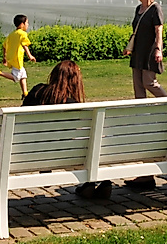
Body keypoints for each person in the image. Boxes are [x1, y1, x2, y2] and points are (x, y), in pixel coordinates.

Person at [22, 61, 108, 198]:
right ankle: (90, 182)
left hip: (28, 153)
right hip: (65, 155)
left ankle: (86, 184)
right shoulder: (74, 106)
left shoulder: (36, 91)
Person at [123, 0, 167, 98]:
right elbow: (136, 31)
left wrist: (158, 49)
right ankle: (140, 111)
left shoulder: (155, 9)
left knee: (149, 83)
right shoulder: (138, 9)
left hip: (149, 51)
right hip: (138, 51)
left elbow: (159, 31)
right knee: (138, 85)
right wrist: (129, 47)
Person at [0, 14, 37, 97]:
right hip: (17, 59)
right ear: (22, 24)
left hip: (12, 58)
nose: (28, 25)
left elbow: (4, 45)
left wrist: (5, 57)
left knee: (23, 75)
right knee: (16, 77)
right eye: (27, 23)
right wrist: (30, 56)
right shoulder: (22, 34)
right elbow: (25, 45)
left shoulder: (11, 34)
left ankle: (25, 93)